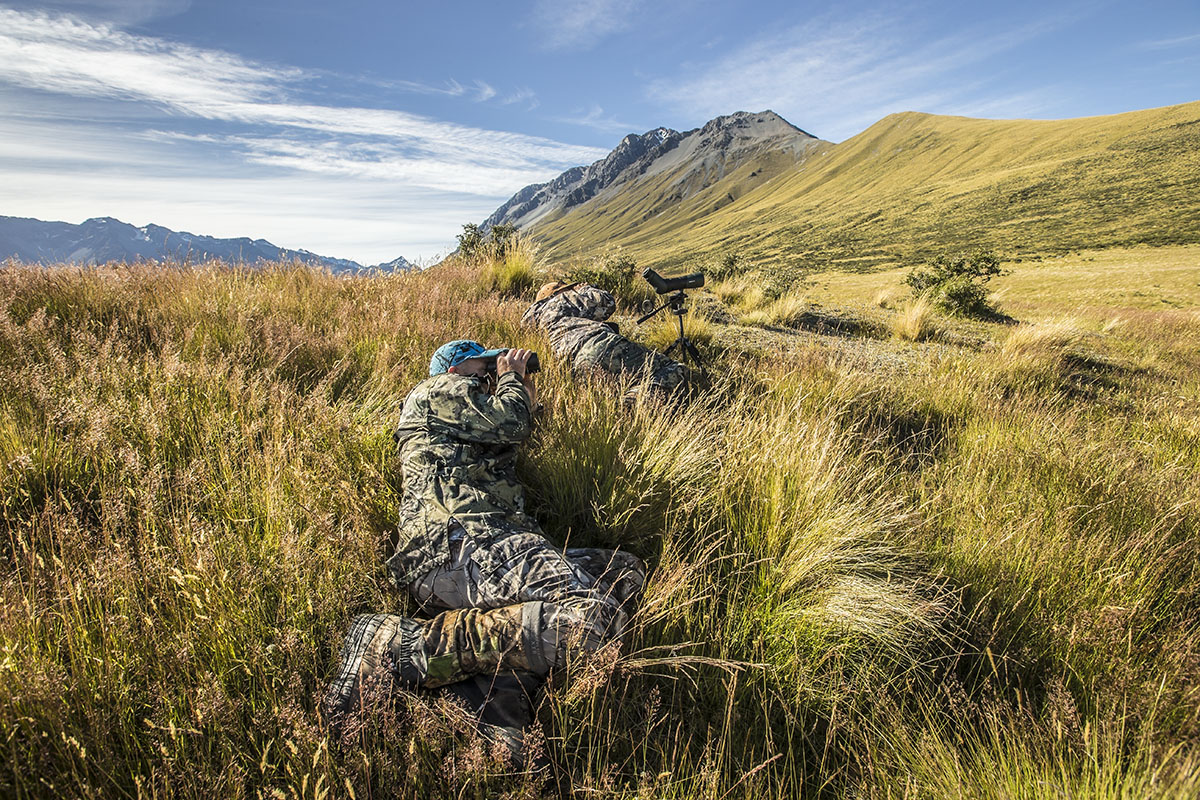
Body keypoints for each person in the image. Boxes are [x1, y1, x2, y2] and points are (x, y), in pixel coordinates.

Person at [322, 339, 645, 761]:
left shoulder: (468, 414)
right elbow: (513, 422)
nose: (494, 369)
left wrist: (521, 389)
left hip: (492, 543)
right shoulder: (436, 389)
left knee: (624, 569)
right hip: (459, 542)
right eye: (486, 362)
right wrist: (509, 376)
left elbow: (516, 423)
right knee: (591, 623)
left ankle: (493, 686)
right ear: (456, 368)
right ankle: (399, 646)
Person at [522, 282, 689, 401]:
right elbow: (607, 302)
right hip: (598, 343)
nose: (572, 289)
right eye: (567, 288)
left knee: (623, 384)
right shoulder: (562, 299)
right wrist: (585, 288)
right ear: (557, 292)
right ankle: (635, 401)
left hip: (574, 363)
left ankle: (626, 403)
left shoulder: (536, 318)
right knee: (675, 370)